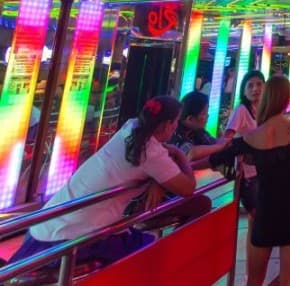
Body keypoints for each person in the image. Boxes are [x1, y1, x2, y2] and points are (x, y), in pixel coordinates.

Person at [10, 96, 209, 267]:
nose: (175, 128)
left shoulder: (131, 127)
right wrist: (181, 155)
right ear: (166, 125)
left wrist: (156, 180)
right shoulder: (151, 153)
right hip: (76, 239)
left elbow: (144, 163)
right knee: (151, 257)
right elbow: (188, 188)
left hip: (44, 227)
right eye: (175, 123)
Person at [211, 76, 290, 286]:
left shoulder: (251, 137)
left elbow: (216, 159)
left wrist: (233, 172)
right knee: (289, 280)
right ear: (287, 98)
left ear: (266, 97)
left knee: (254, 280)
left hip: (264, 211)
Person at [225, 70, 264, 218]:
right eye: (250, 86)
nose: (255, 89)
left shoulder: (262, 110)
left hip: (262, 169)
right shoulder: (241, 110)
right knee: (256, 214)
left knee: (258, 216)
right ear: (244, 90)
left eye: (259, 84)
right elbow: (228, 136)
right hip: (248, 173)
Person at [171, 91, 230, 166]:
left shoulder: (198, 130)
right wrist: (220, 146)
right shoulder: (174, 131)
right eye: (204, 113)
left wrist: (228, 142)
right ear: (190, 119)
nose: (207, 116)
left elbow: (212, 142)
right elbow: (191, 152)